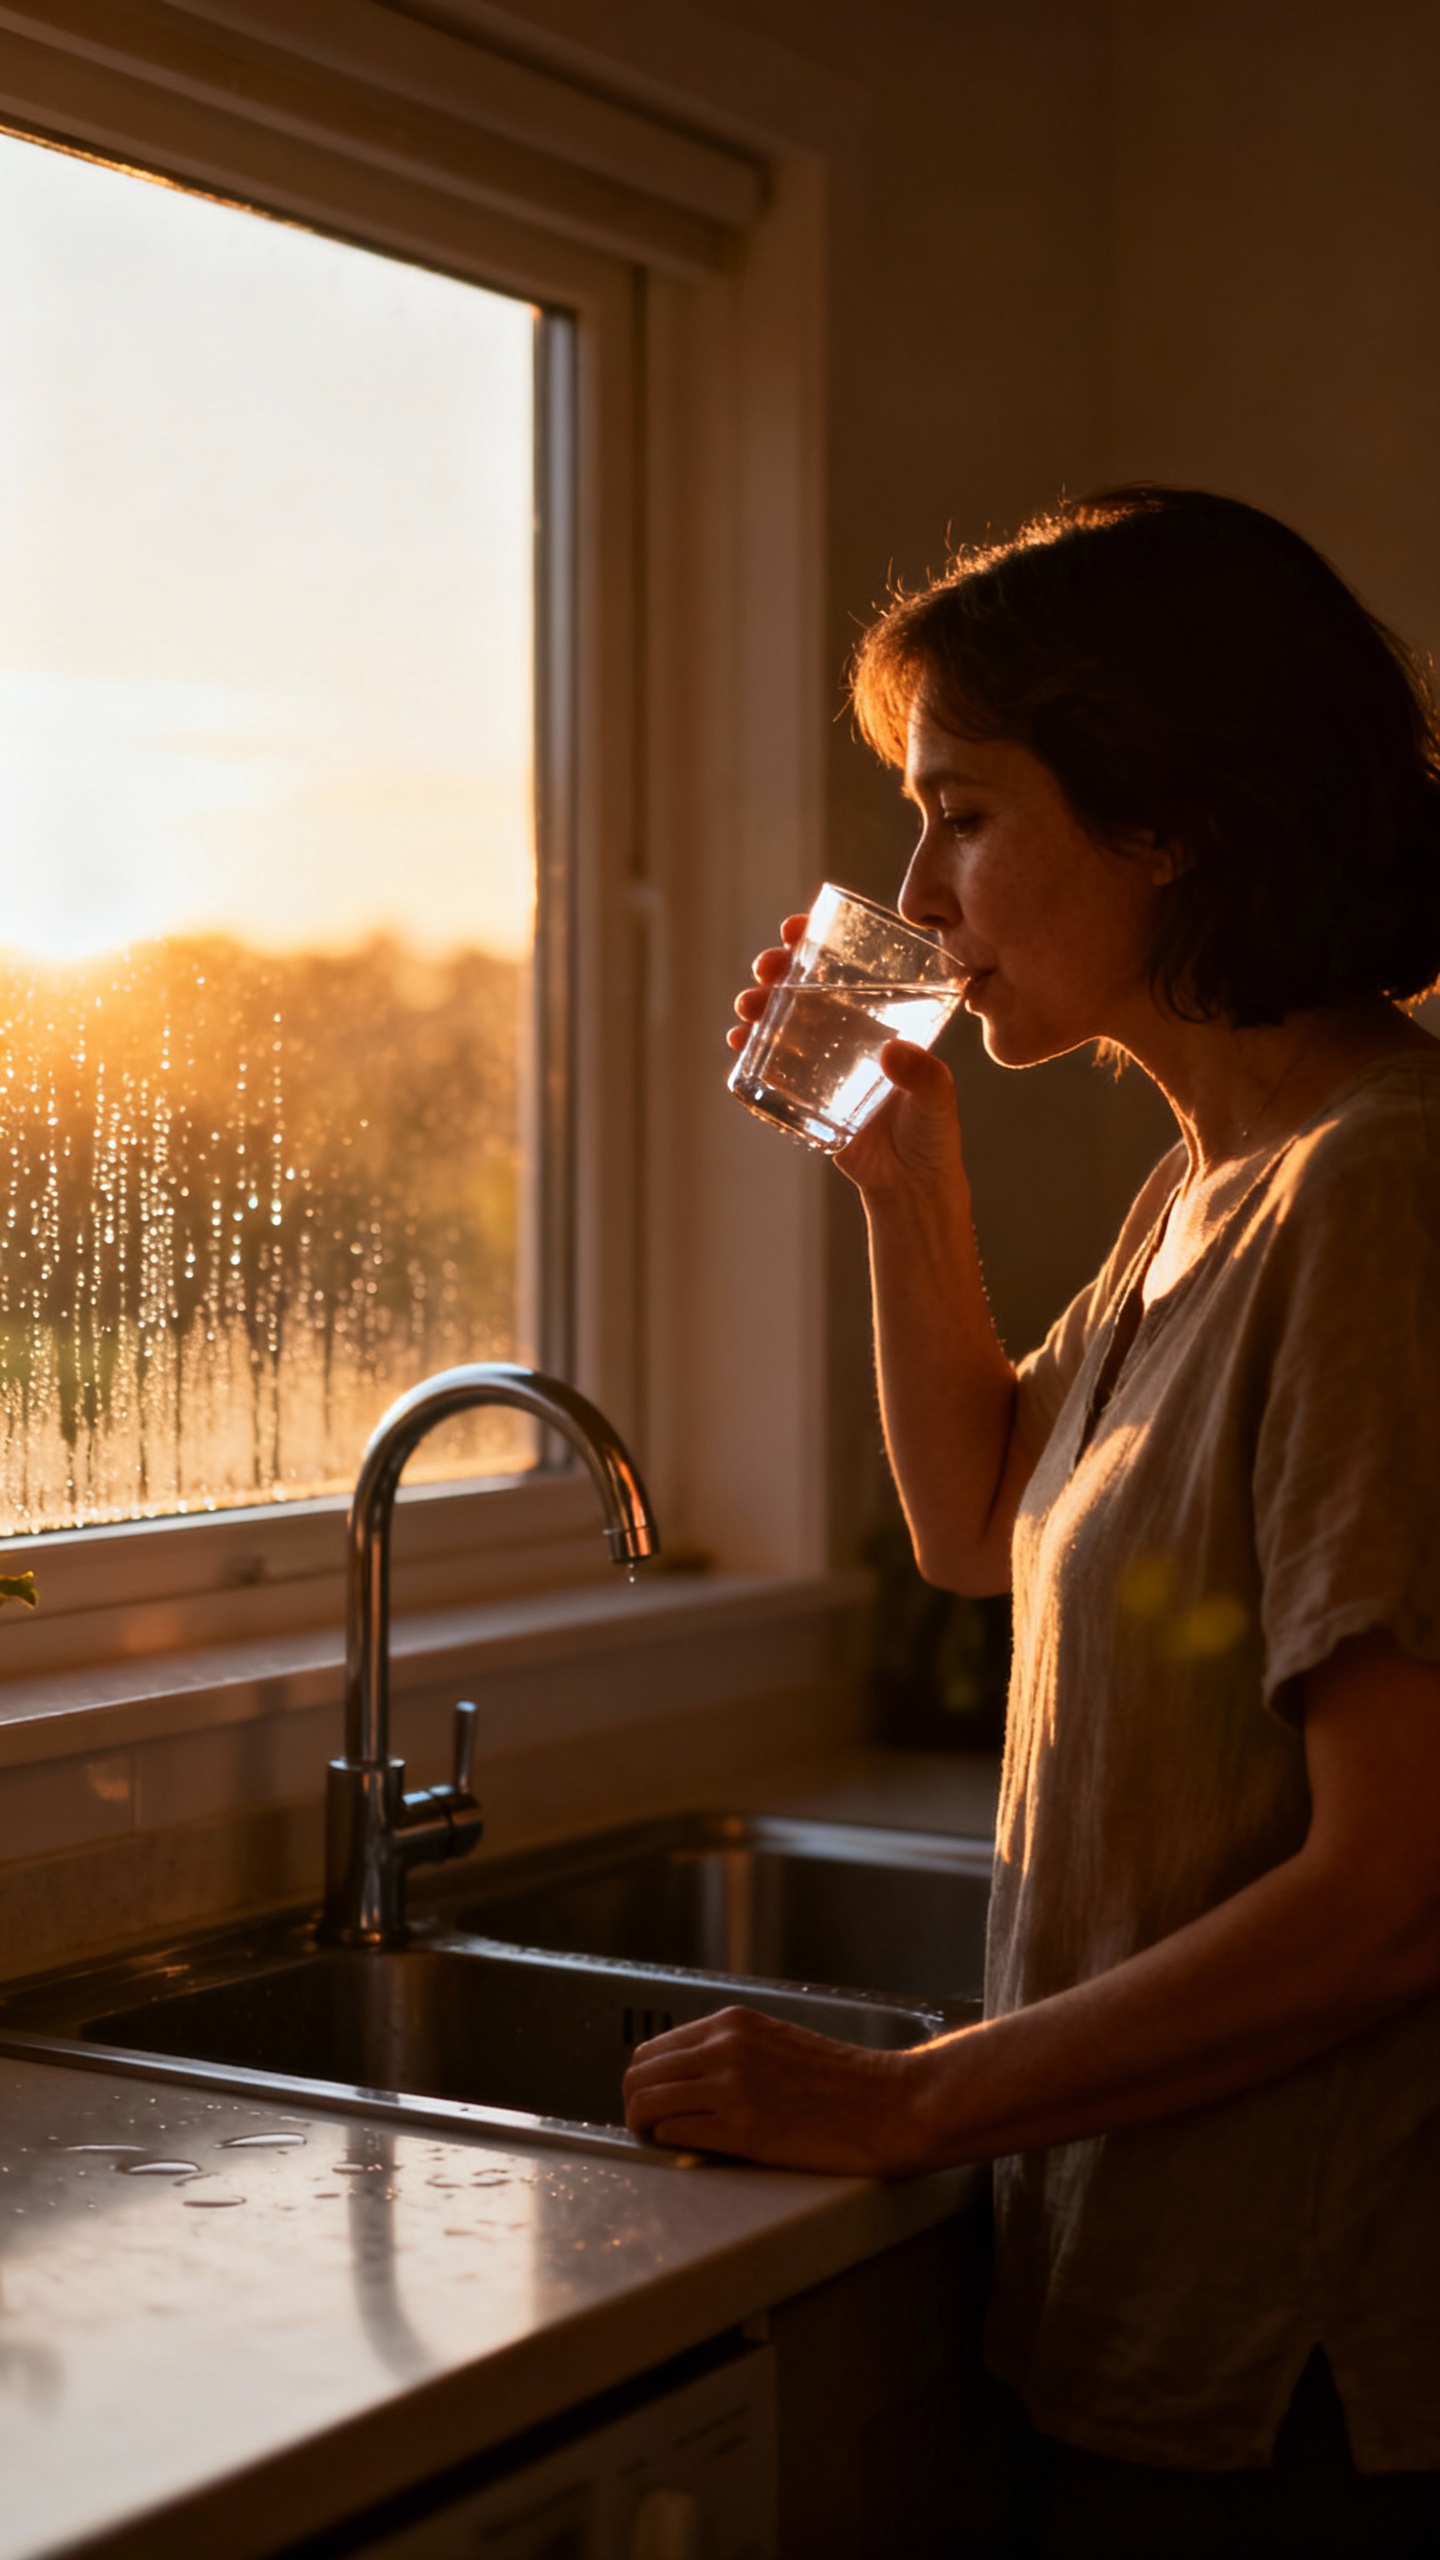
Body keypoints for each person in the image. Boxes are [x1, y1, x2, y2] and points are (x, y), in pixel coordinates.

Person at [623, 489, 1440, 2554]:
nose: (915, 888)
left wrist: (906, 2095)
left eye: (963, 815)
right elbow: (981, 1523)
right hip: (1154, 2283)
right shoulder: (1213, 1176)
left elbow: (1399, 1885)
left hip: (1315, 2349)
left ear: (1169, 811)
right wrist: (906, 1177)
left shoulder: (1379, 1192)